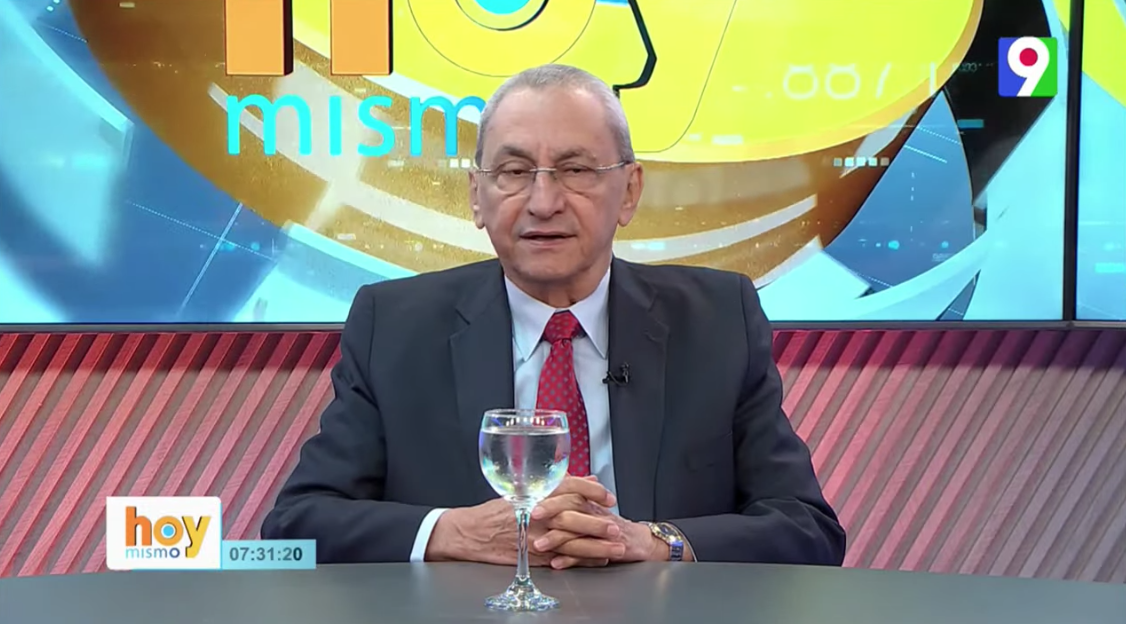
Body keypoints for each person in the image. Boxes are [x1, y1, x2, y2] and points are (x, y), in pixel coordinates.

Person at [261, 64, 846, 569]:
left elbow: (807, 529)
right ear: (476, 196)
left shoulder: (718, 321)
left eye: (577, 170)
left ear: (630, 191)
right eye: (514, 172)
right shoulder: (394, 326)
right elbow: (297, 524)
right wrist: (456, 533)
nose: (543, 202)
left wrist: (655, 542)